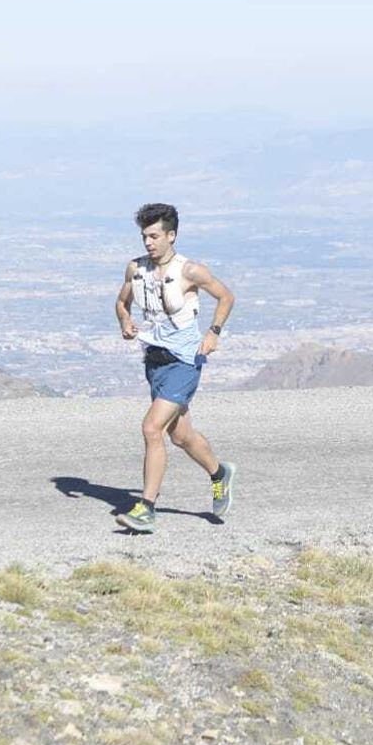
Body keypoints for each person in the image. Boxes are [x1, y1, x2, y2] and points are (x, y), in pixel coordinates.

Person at [113, 202, 237, 533]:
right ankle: (219, 473)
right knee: (181, 435)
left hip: (185, 361)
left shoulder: (190, 271)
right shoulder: (135, 269)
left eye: (154, 236)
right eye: (144, 236)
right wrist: (125, 321)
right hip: (155, 362)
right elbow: (121, 303)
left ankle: (146, 508)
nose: (148, 243)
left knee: (152, 428)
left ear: (172, 235)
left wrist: (213, 333)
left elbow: (226, 297)